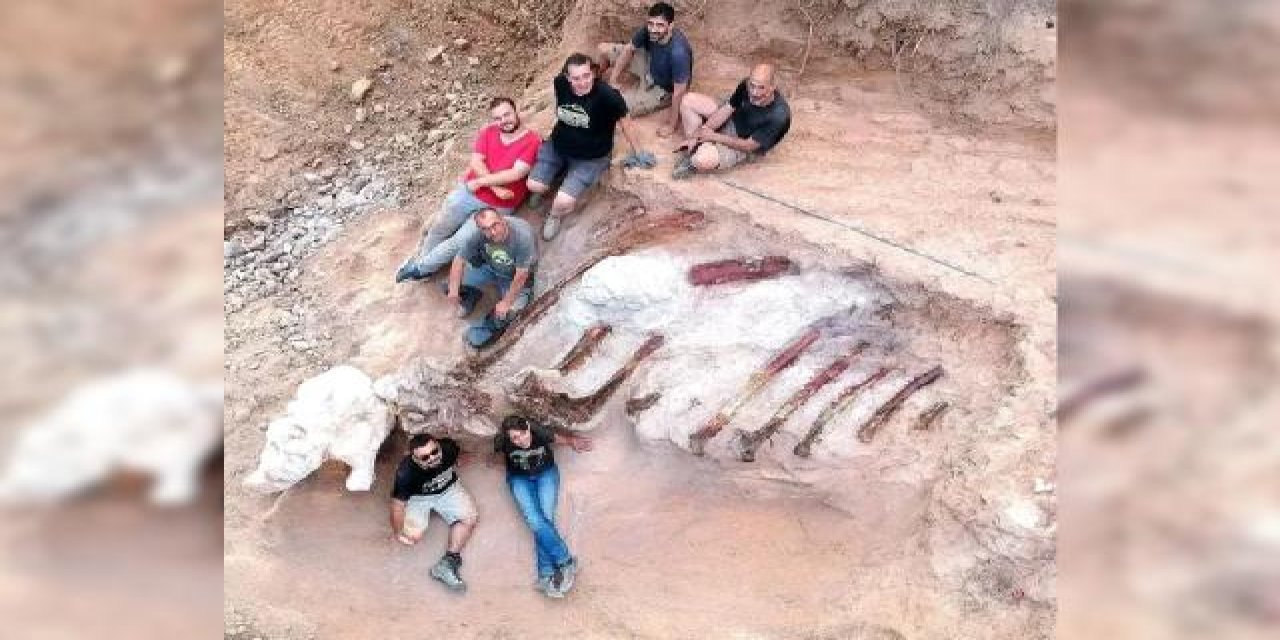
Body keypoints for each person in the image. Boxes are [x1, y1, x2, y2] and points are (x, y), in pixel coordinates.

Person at [396, 97, 541, 282]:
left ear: (516, 111)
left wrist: (481, 183)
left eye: (507, 115)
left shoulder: (532, 140)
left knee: (461, 239)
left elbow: (516, 173)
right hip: (471, 191)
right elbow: (476, 161)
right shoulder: (488, 131)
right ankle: (425, 264)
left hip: (498, 205)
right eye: (498, 118)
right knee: (440, 226)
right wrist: (494, 187)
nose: (503, 121)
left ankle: (420, 269)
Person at [526, 53, 645, 242]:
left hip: (591, 157)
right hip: (558, 146)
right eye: (576, 78)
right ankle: (553, 178)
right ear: (567, 77)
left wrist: (639, 151)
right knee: (534, 185)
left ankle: (554, 215)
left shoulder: (608, 96)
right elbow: (562, 109)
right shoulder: (560, 83)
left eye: (586, 75)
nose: (582, 82)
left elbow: (626, 123)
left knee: (562, 201)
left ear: (593, 73)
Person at [491, 415, 593, 598]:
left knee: (545, 519)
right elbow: (491, 453)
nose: (520, 440)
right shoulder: (502, 441)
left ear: (528, 428)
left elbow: (557, 438)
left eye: (523, 434)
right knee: (534, 520)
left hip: (546, 474)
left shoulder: (539, 432)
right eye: (514, 438)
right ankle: (565, 562)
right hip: (519, 479)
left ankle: (545, 574)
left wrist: (573, 441)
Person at [389, 433, 479, 593]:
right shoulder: (406, 473)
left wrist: (460, 458)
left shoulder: (448, 448)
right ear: (415, 459)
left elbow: (458, 452)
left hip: (448, 489)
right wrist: (397, 532)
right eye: (424, 457)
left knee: (470, 519)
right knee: (410, 537)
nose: (432, 458)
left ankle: (447, 563)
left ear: (438, 446)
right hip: (418, 498)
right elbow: (397, 504)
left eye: (434, 452)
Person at [672, 63, 792, 179]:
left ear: (772, 87)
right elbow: (728, 108)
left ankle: (696, 158)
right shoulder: (746, 85)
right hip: (732, 120)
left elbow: (748, 146)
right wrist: (701, 133)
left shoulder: (779, 116)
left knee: (702, 160)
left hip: (743, 142)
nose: (754, 92)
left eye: (761, 88)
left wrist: (713, 136)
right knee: (688, 100)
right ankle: (697, 145)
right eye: (752, 85)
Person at [442, 209, 537, 348]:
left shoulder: (522, 236)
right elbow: (459, 260)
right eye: (485, 229)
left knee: (508, 313)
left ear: (503, 219)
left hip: (514, 278)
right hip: (490, 269)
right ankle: (470, 297)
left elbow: (521, 275)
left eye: (495, 225)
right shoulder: (479, 235)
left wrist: (506, 302)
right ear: (480, 229)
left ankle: (483, 331)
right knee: (450, 284)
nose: (492, 232)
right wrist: (454, 290)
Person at [596, 2, 693, 137]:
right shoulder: (650, 31)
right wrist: (613, 80)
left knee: (611, 106)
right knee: (603, 49)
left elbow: (679, 92)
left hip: (662, 88)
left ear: (671, 26)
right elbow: (629, 49)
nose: (653, 29)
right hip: (650, 63)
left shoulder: (678, 53)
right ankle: (596, 78)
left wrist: (671, 126)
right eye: (651, 23)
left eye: (660, 25)